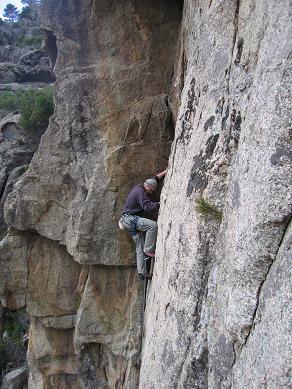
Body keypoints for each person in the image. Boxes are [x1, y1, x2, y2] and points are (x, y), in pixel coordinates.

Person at [120, 170, 167, 279]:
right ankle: (149, 250)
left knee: (139, 247)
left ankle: (142, 273)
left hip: (129, 221)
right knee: (152, 226)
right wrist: (160, 203)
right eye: (151, 190)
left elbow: (154, 178)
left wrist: (165, 172)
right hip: (130, 219)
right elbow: (146, 206)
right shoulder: (140, 192)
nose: (151, 193)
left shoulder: (143, 186)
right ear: (147, 186)